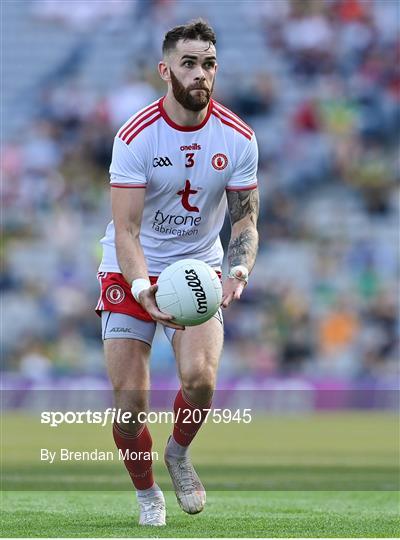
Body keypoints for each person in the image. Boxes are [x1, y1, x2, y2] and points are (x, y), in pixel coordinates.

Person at [96, 19, 259, 526]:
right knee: (129, 408)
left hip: (199, 268)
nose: (200, 74)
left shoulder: (238, 137)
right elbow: (126, 230)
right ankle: (148, 495)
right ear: (165, 70)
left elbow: (246, 219)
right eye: (188, 63)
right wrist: (142, 286)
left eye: (208, 63)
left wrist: (239, 266)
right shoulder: (135, 135)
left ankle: (179, 452)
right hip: (132, 269)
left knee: (201, 381)